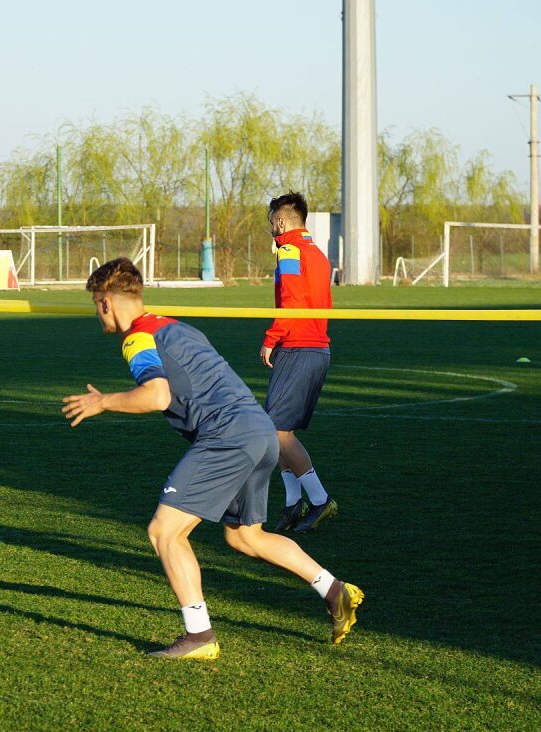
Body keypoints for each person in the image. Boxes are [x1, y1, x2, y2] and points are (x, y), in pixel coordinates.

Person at [62, 257, 363, 659]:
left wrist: (103, 402)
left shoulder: (137, 338)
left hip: (227, 435)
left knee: (164, 532)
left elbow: (157, 396)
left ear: (105, 301)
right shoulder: (176, 327)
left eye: (95, 305)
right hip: (260, 430)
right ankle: (334, 590)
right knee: (245, 536)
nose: (97, 313)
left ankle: (199, 635)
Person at [262, 192, 336, 533]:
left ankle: (319, 500)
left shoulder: (289, 250)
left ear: (281, 222)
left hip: (298, 347)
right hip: (314, 348)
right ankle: (294, 502)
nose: (270, 229)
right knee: (276, 430)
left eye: (271, 222)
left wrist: (271, 338)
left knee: (277, 432)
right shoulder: (317, 254)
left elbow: (291, 302)